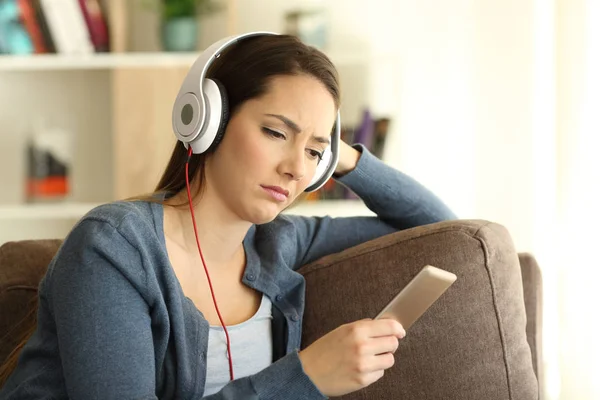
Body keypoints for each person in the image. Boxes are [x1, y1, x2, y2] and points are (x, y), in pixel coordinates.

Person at [0, 33, 456, 399]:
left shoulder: (279, 241)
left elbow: (443, 231)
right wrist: (307, 378)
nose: (296, 167)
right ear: (207, 121)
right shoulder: (114, 247)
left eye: (314, 152)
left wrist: (343, 158)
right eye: (276, 132)